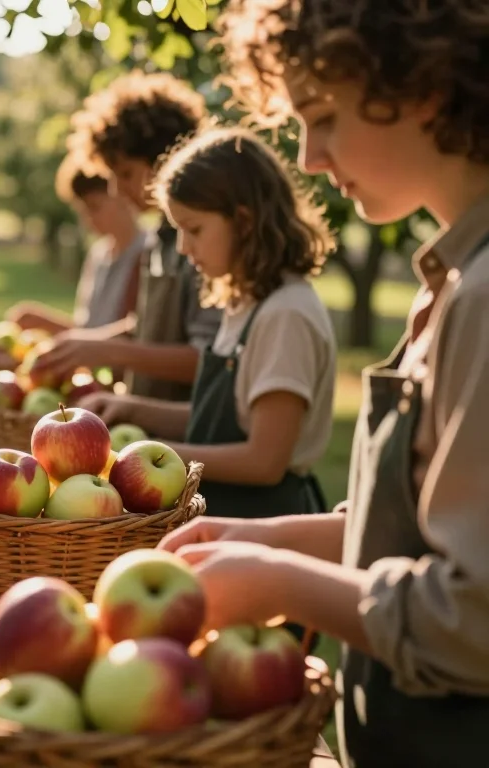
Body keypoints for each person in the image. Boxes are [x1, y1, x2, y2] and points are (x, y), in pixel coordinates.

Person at [159, 2, 489, 766]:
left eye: (324, 118)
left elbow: (474, 617)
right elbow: (415, 532)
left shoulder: (481, 296)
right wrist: (265, 538)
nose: (308, 157)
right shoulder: (450, 280)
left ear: (423, 89)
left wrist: (279, 582)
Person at [94, 126, 337, 517]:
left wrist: (143, 456)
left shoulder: (285, 315)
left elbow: (264, 461)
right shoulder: (246, 304)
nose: (184, 247)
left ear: (244, 221)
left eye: (194, 229)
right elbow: (224, 420)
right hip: (225, 516)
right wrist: (131, 410)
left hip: (262, 523)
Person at [33, 72, 222, 402]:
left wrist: (109, 351)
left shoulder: (204, 242)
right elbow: (148, 325)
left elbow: (210, 358)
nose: (117, 190)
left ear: (167, 158)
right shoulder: (160, 241)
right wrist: (88, 344)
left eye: (126, 174)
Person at [6, 152, 148, 337]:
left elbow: (132, 333)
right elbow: (88, 328)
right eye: (82, 211)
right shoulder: (99, 254)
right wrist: (43, 322)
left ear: (121, 194)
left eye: (94, 207)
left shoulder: (149, 254)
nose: (88, 219)